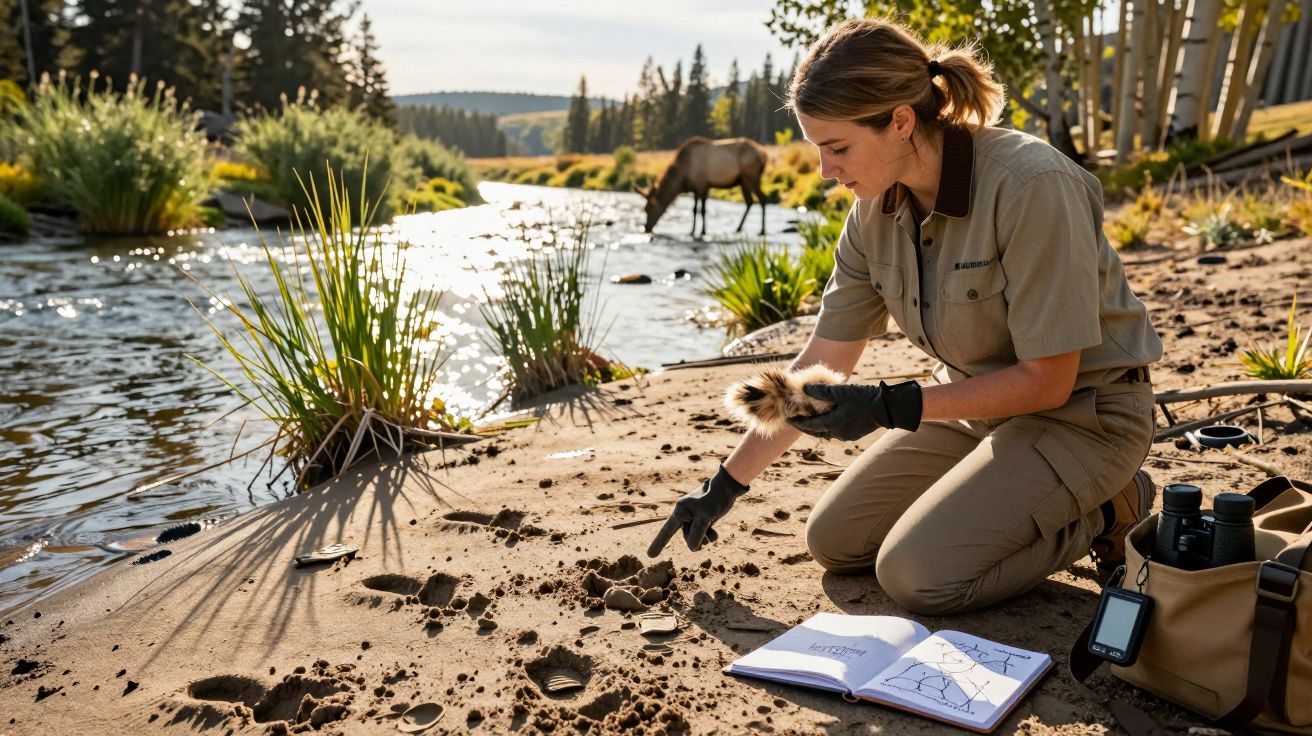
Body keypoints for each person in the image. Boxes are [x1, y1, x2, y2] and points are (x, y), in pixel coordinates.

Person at [646, 17, 1163, 616]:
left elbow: (1048, 381)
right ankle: (1012, 493)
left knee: (917, 575)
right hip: (978, 410)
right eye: (818, 148)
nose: (824, 171)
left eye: (837, 147)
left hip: (1083, 417)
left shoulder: (1031, 185)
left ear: (900, 120)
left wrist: (890, 407)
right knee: (835, 541)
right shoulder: (871, 214)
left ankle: (1112, 506)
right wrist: (723, 486)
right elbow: (821, 364)